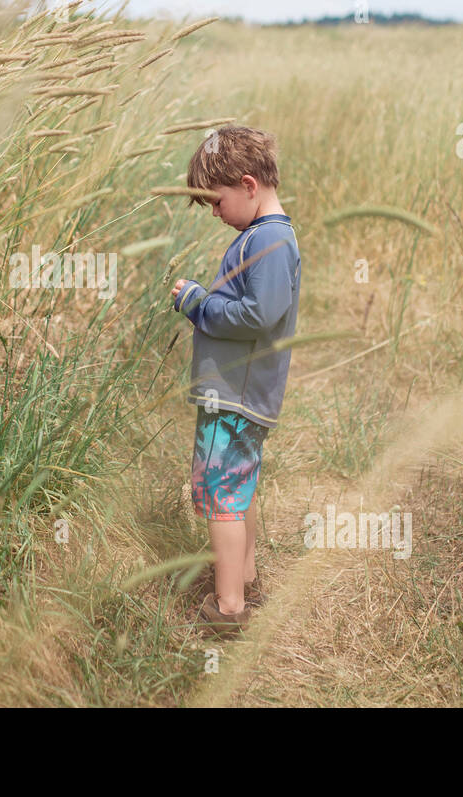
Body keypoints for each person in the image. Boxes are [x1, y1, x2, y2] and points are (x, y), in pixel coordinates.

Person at [170, 125, 301, 632]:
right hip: (240, 394)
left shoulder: (268, 238)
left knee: (222, 497)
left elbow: (258, 315)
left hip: (237, 396)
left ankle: (228, 609)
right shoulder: (267, 234)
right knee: (236, 491)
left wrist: (198, 302)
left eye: (217, 203)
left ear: (248, 185)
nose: (216, 215)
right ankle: (243, 578)